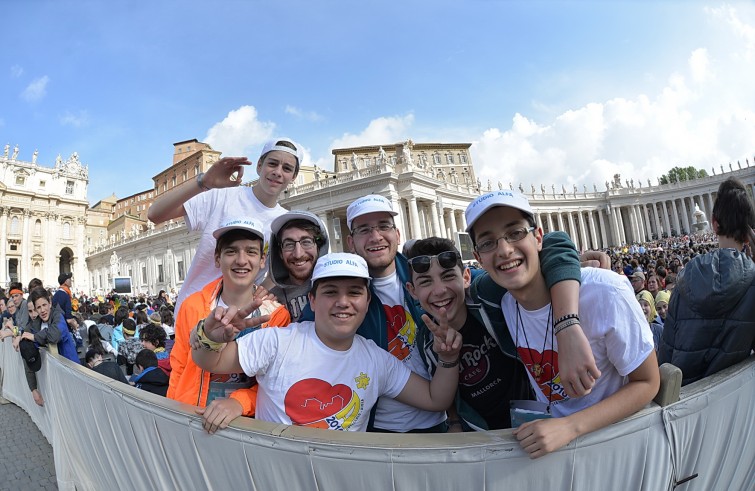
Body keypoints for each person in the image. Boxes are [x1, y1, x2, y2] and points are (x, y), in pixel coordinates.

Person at [345, 195, 600, 433]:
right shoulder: (349, 298)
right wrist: (455, 419)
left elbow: (553, 242)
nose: (439, 291)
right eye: (364, 230)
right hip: (457, 429)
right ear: (413, 290)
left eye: (383, 226)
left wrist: (567, 323)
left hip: (535, 415)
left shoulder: (481, 293)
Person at [464, 190, 659, 458]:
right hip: (556, 451)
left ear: (538, 237)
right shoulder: (504, 303)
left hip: (618, 446)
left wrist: (569, 427)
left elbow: (649, 382)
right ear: (478, 257)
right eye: (488, 243)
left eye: (516, 233)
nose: (505, 249)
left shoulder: (605, 292)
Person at [191, 253, 462, 433]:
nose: (343, 302)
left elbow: (435, 398)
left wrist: (448, 358)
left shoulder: (376, 360)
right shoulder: (278, 341)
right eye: (331, 292)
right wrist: (209, 337)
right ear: (312, 300)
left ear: (367, 302)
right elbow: (211, 361)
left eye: (354, 293)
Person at [148, 138, 303, 314]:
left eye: (287, 168)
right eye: (272, 164)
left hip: (242, 317)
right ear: (259, 166)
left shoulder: (283, 223)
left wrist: (265, 287)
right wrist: (203, 182)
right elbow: (155, 214)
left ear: (294, 177)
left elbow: (286, 267)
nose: (277, 172)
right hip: (194, 311)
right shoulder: (222, 196)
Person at [168, 217, 290, 420]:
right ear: (218, 259)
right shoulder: (192, 306)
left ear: (262, 260)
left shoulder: (277, 316)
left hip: (246, 425)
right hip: (191, 418)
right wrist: (172, 413)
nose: (241, 260)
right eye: (231, 251)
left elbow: (276, 382)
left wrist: (240, 402)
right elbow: (178, 367)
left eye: (251, 251)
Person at [659, 178, 755, 385]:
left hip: (688, 402)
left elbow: (666, 350)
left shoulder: (685, 277)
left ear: (714, 223)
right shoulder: (752, 280)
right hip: (735, 396)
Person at [266, 211, 329, 322]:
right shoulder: (270, 300)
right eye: (289, 244)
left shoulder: (337, 287)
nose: (298, 254)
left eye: (306, 242)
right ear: (280, 253)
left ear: (319, 248)